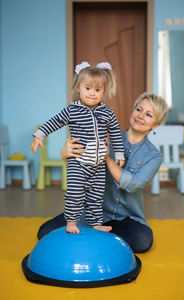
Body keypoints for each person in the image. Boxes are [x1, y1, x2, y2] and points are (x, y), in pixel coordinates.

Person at [37, 92, 168, 253]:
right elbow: (80, 168)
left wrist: (106, 157)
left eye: (148, 115)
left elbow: (134, 185)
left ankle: (92, 236)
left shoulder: (154, 156)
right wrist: (65, 155)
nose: (140, 116)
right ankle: (98, 235)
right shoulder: (104, 138)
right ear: (132, 111)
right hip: (93, 212)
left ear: (155, 124)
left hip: (127, 218)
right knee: (44, 233)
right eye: (138, 110)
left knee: (142, 241)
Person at [31, 61, 125, 234]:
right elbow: (54, 122)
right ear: (77, 87)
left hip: (98, 165)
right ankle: (71, 222)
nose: (92, 93)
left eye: (98, 90)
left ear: (104, 91)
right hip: (78, 161)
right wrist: (40, 135)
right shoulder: (72, 110)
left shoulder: (107, 113)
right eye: (88, 88)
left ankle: (96, 223)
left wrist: (119, 153)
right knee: (75, 193)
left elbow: (116, 134)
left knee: (96, 196)